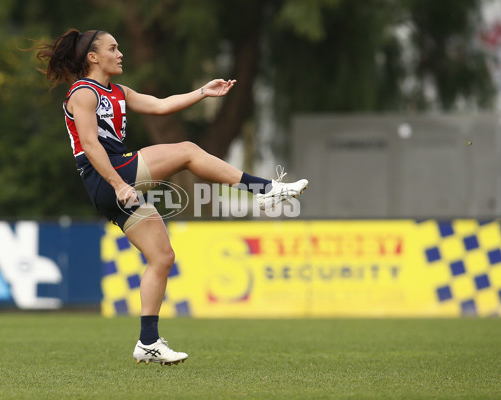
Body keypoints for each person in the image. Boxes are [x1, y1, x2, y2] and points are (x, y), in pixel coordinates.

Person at [35, 29, 308, 366]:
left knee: (162, 257)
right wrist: (118, 183)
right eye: (113, 48)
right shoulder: (83, 92)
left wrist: (203, 93)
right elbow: (90, 145)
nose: (120, 53)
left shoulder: (117, 91)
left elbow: (161, 106)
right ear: (92, 57)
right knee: (188, 151)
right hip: (109, 174)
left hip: (115, 180)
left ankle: (148, 342)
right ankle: (265, 190)